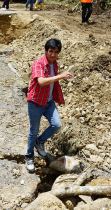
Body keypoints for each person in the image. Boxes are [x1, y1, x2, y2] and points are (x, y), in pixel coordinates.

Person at [25, 39, 74, 173]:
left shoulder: (54, 64)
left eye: (56, 52)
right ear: (46, 51)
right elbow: (41, 82)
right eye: (51, 51)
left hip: (48, 102)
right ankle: (29, 157)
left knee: (56, 124)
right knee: (33, 130)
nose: (53, 54)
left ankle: (39, 142)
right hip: (36, 102)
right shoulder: (38, 63)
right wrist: (61, 76)